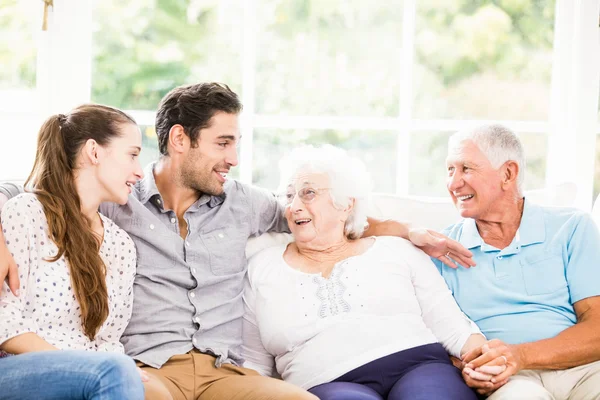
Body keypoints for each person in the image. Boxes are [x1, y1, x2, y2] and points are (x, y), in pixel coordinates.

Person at [0, 82, 474, 400]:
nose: (234, 159)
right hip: (149, 367)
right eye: (223, 143)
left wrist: (406, 230)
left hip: (225, 373)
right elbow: (42, 193)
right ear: (181, 140)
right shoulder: (115, 199)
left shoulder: (246, 204)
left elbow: (329, 216)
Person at [242, 145, 484, 400]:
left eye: (308, 193)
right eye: (288, 196)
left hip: (421, 365)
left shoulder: (396, 249)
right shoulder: (261, 268)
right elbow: (252, 363)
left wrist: (485, 360)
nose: (294, 206)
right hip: (324, 384)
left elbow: (453, 327)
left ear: (346, 204)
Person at [433, 124, 600, 399]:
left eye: (466, 169)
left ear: (508, 174)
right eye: (450, 170)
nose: (453, 184)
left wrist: (520, 355)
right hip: (509, 380)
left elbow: (597, 327)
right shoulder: (442, 250)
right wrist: (469, 368)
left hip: (583, 368)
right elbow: (436, 337)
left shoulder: (572, 227)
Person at [0, 104, 145, 400]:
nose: (140, 172)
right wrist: (82, 366)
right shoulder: (26, 214)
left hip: (91, 372)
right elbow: (6, 325)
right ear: (94, 152)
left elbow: (107, 340)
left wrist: (100, 367)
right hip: (16, 368)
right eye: (132, 155)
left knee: (145, 385)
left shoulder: (119, 245)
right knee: (115, 370)